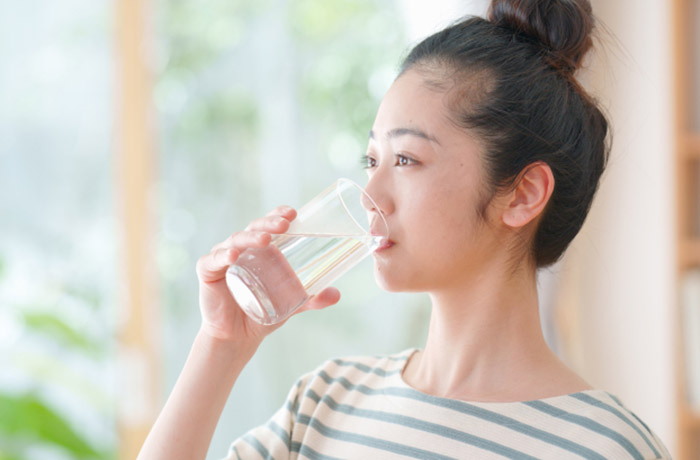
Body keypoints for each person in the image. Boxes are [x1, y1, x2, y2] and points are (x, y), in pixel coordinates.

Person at [138, 0, 671, 458]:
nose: (371, 196)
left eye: (408, 160)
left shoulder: (605, 447)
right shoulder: (327, 401)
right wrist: (222, 345)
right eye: (372, 160)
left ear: (523, 194)